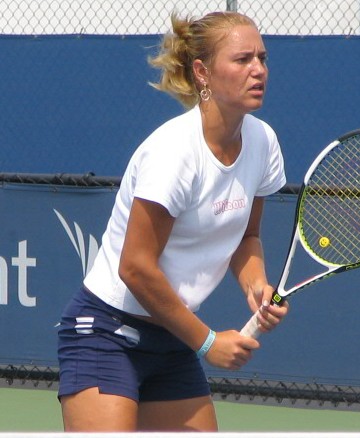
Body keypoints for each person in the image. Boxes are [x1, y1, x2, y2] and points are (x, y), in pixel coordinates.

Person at [57, 10, 289, 432]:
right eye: (242, 60)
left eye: (262, 58)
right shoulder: (173, 153)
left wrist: (257, 287)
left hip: (173, 338)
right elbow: (135, 267)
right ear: (203, 72)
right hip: (107, 334)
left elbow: (247, 236)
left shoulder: (263, 142)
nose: (258, 70)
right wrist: (207, 342)